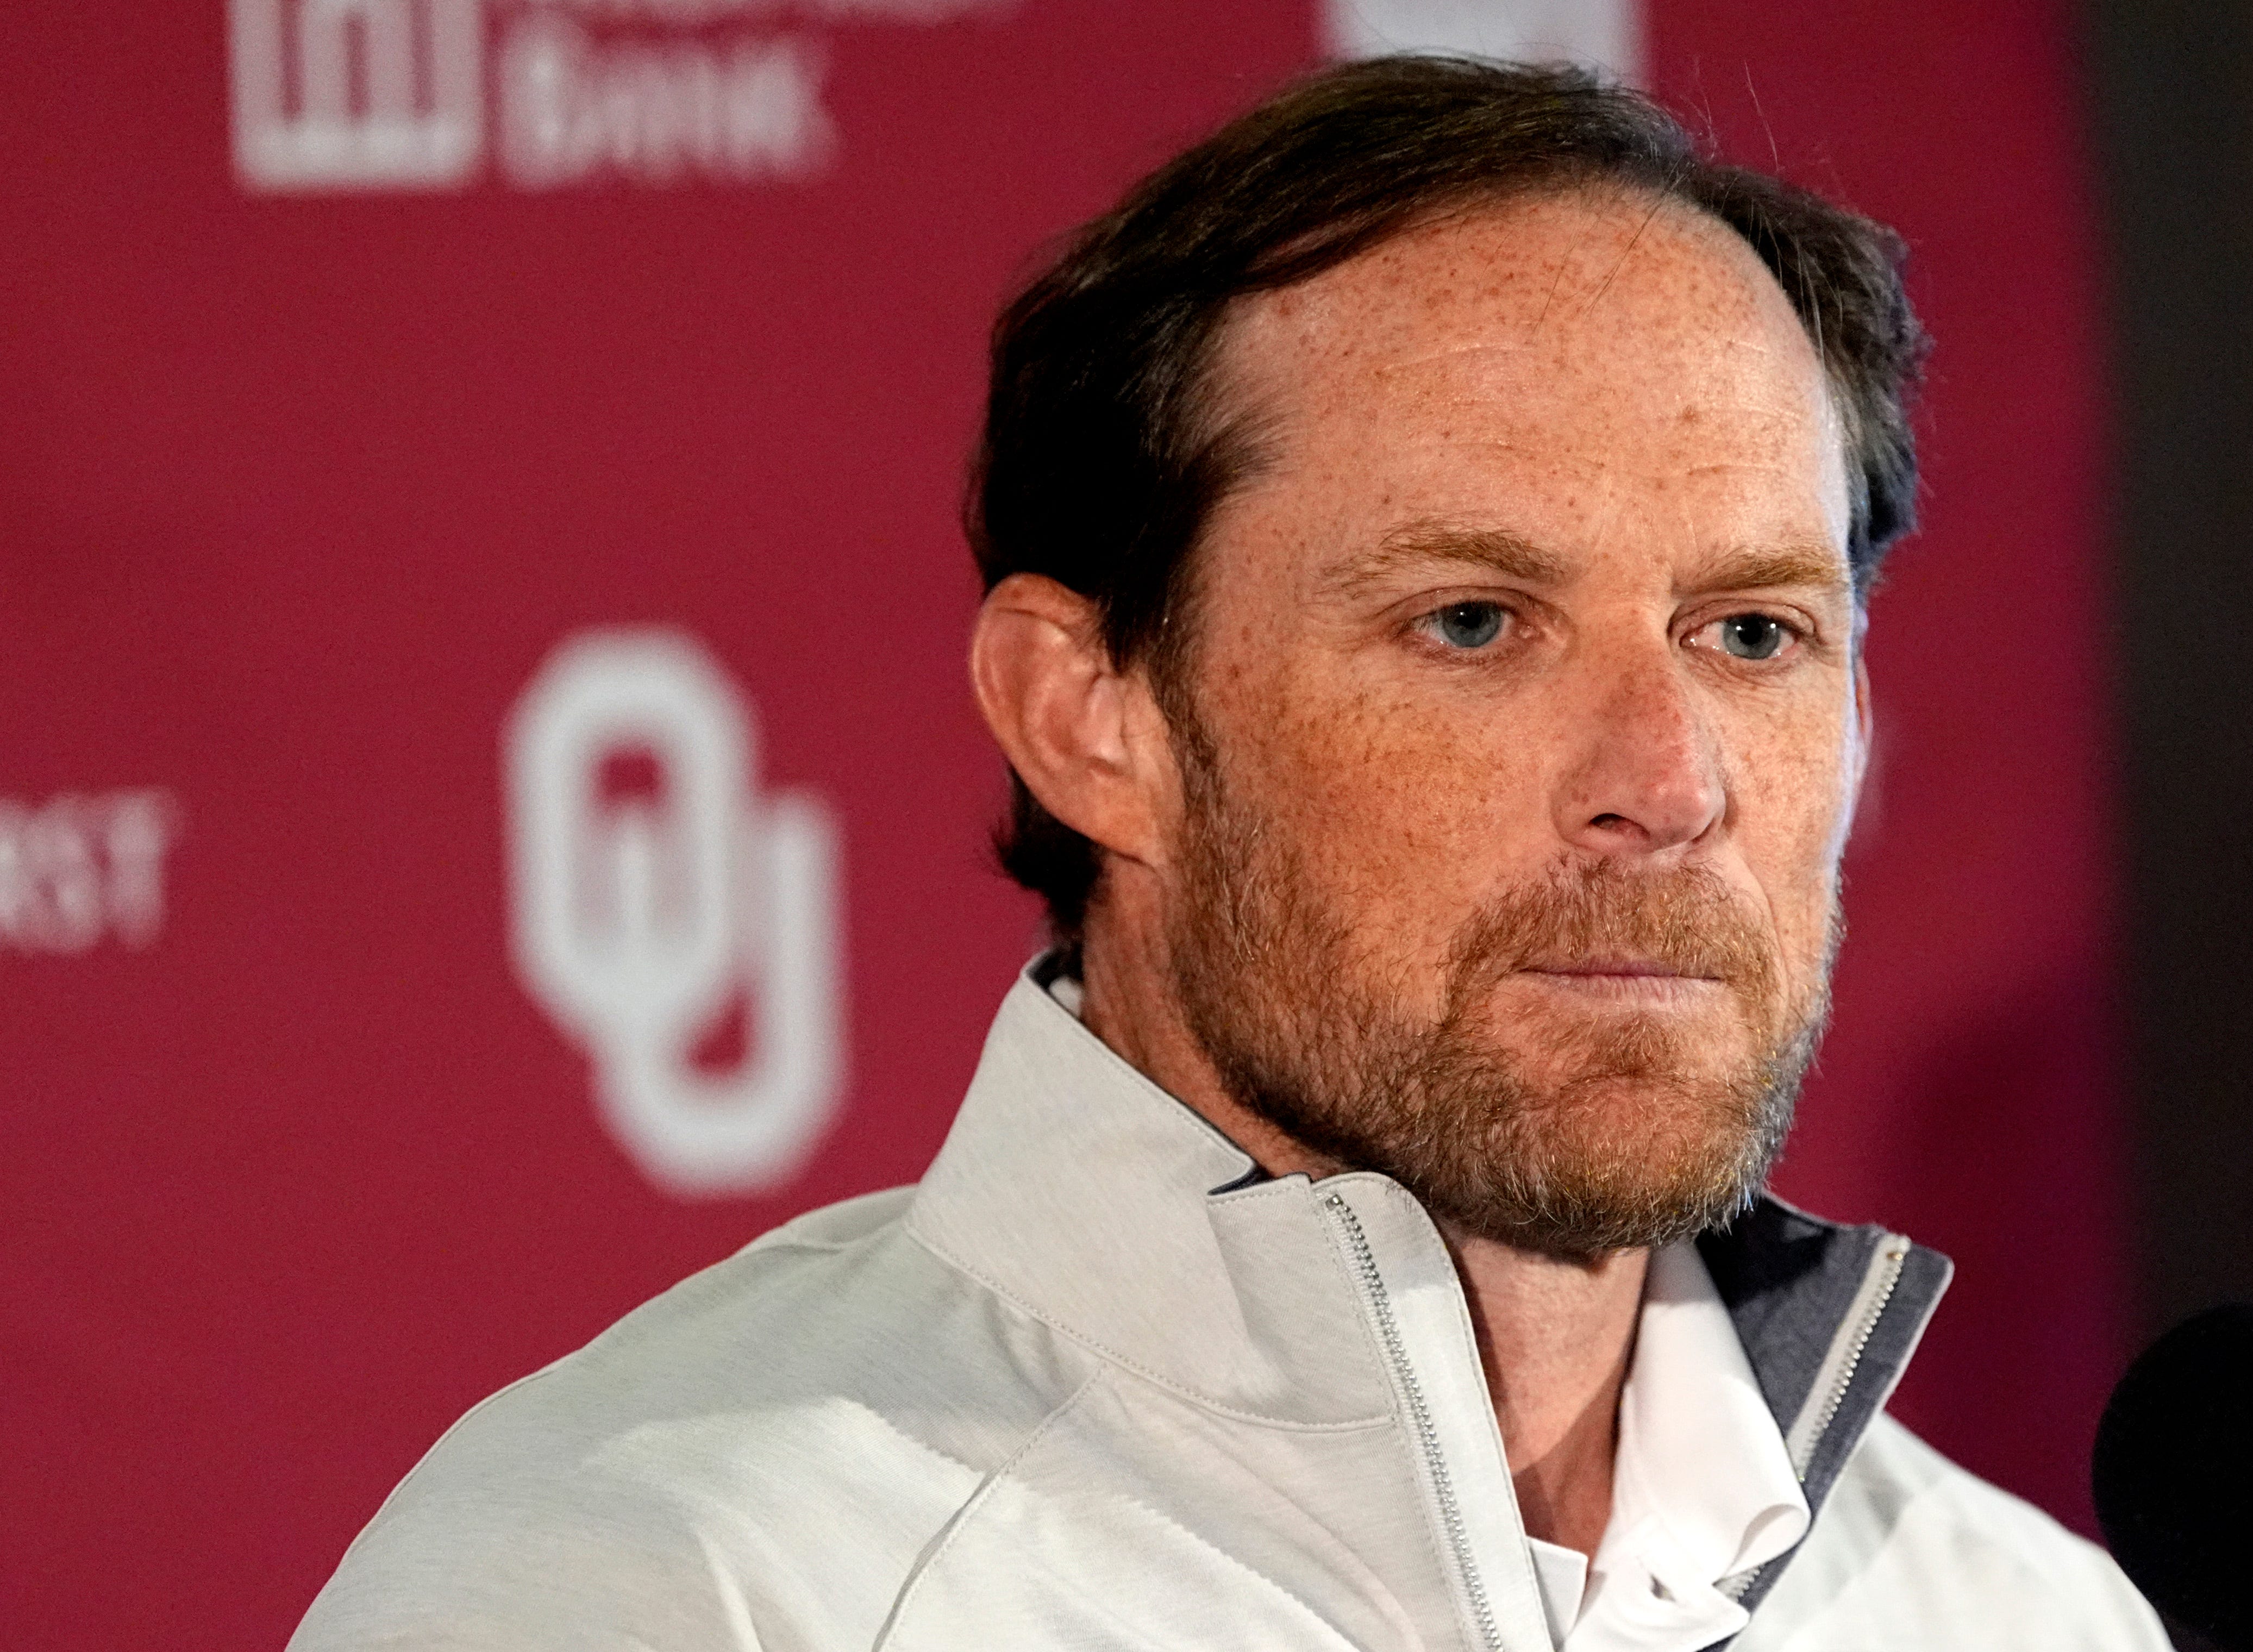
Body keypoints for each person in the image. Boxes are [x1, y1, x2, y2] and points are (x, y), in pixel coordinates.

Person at [291, 57, 2166, 1651]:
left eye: (1751, 633)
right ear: (1088, 716)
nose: (1667, 783)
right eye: (1470, 622)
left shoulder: (2017, 1616)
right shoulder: (670, 1588)